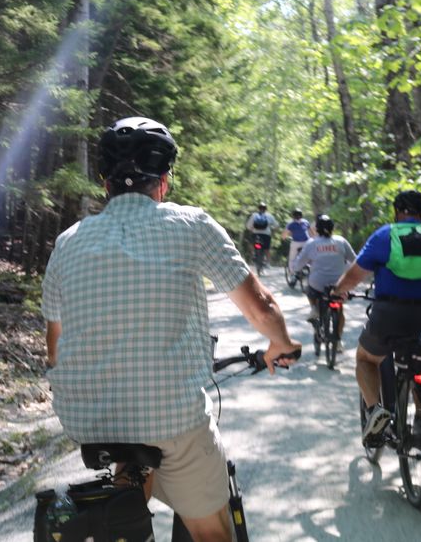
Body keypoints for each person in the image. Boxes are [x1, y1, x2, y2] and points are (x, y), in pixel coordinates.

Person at [43, 116, 301, 542]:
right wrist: (281, 343)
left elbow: (54, 346)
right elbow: (261, 305)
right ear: (163, 182)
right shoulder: (190, 225)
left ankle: (125, 506)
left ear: (105, 183)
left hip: (86, 420)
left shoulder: (68, 241)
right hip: (170, 418)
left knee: (131, 464)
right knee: (212, 531)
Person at [333, 190, 421, 446]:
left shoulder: (386, 235)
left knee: (365, 358)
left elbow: (355, 274)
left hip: (391, 314)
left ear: (396, 212)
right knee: (419, 360)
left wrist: (337, 291)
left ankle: (374, 412)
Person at [292, 214, 356, 351]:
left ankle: (314, 308)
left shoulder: (311, 243)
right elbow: (355, 260)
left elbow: (297, 266)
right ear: (332, 228)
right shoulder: (341, 241)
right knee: (340, 311)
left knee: (310, 288)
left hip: (318, 285)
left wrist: (294, 268)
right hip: (339, 286)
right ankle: (338, 341)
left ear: (317, 229)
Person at [282, 208, 311, 285]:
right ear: (301, 215)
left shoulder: (291, 224)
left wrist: (284, 238)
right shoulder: (306, 222)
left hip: (296, 243)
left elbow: (284, 234)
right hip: (307, 242)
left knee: (292, 259)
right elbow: (312, 232)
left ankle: (292, 274)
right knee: (310, 256)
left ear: (293, 216)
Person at [245, 202, 278, 271]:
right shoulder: (269, 216)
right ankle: (268, 263)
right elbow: (276, 226)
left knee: (253, 244)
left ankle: (254, 254)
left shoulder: (254, 215)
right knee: (266, 249)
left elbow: (248, 226)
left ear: (258, 208)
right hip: (266, 235)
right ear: (266, 209)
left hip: (256, 234)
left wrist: (252, 230)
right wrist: (273, 233)